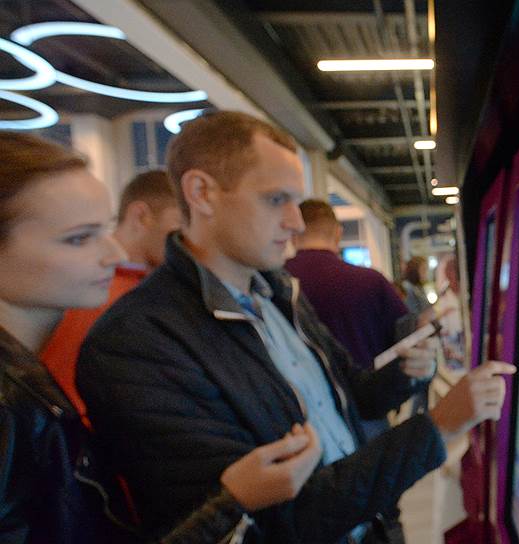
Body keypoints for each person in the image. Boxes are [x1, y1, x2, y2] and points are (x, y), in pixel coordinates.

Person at [76, 111, 515, 543]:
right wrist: (437, 428)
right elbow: (274, 519)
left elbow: (350, 395)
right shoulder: (136, 343)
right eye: (275, 200)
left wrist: (402, 373)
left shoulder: (278, 294)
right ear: (202, 193)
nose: (296, 222)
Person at [0, 131, 323, 543]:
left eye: (104, 230)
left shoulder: (28, 386)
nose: (115, 254)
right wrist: (230, 503)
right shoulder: (13, 405)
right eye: (78, 238)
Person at [40, 170, 182, 418]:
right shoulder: (96, 292)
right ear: (141, 215)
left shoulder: (143, 287)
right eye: (181, 226)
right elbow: (69, 398)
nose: (187, 240)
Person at [286, 199, 415, 440]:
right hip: (366, 411)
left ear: (294, 232)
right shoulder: (372, 282)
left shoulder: (277, 283)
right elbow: (406, 342)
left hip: (296, 424)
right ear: (338, 233)